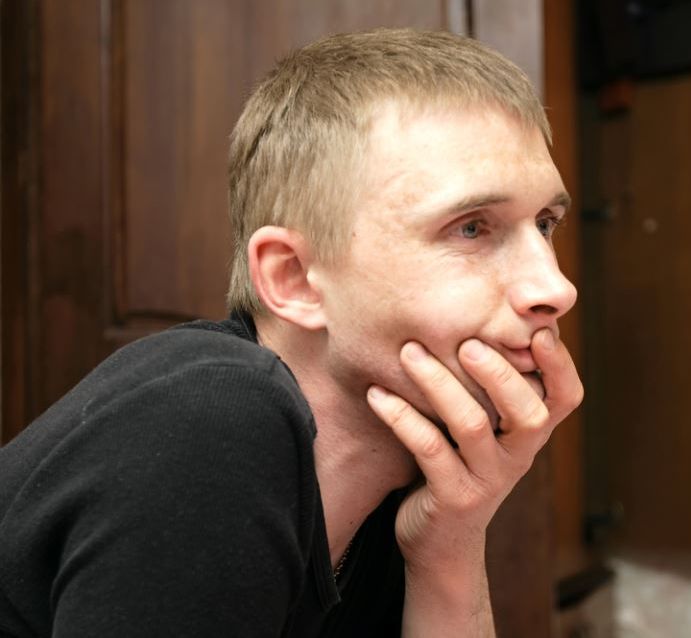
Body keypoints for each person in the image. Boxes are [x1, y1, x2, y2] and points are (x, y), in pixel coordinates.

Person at [0, 28, 582, 637]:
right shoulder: (211, 424)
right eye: (471, 228)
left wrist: (452, 541)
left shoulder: (399, 494)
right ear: (296, 279)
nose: (555, 287)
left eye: (545, 224)